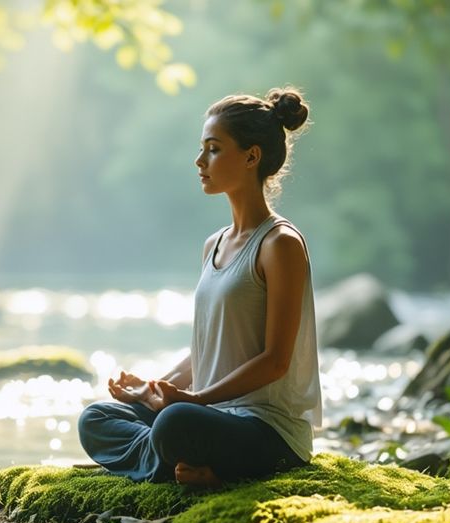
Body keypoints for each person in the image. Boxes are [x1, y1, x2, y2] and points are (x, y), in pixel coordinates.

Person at [77, 86, 322, 488]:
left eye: (213, 149)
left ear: (251, 156)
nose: (199, 161)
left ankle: (165, 459)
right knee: (97, 417)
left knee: (176, 422)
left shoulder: (280, 245)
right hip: (214, 414)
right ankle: (178, 462)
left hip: (268, 431)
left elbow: (275, 360)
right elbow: (209, 348)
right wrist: (154, 388)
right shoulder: (215, 244)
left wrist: (194, 401)